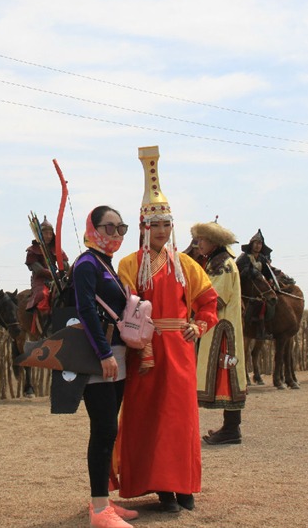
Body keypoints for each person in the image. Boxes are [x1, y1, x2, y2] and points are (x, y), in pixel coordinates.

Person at [115, 146, 218, 513]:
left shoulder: (186, 265)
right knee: (148, 419)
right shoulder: (130, 265)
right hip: (144, 352)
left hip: (177, 349)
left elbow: (209, 303)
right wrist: (140, 344)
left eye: (166, 224)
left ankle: (183, 486)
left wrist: (198, 325)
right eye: (154, 225)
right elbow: (125, 307)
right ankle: (160, 488)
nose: (160, 231)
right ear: (143, 227)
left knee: (180, 419)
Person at [72, 206, 137, 528]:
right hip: (99, 355)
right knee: (104, 430)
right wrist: (102, 353)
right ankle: (99, 510)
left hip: (118, 354)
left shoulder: (105, 264)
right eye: (108, 228)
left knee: (109, 428)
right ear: (93, 228)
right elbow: (84, 310)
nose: (115, 235)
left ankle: (103, 500)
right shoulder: (86, 264)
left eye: (120, 228)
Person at [189, 220, 248, 445]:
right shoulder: (215, 262)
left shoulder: (223, 265)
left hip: (223, 328)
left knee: (228, 374)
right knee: (225, 374)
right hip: (218, 326)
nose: (197, 244)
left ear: (213, 241)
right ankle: (230, 427)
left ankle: (232, 429)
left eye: (201, 239)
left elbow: (215, 297)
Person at [235, 229, 293, 340]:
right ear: (251, 244)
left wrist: (276, 277)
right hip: (244, 286)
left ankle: (264, 327)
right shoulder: (244, 257)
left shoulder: (262, 258)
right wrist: (251, 272)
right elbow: (238, 272)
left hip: (258, 284)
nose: (258, 246)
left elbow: (268, 271)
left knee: (271, 299)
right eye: (256, 243)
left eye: (260, 244)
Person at [24, 217, 69, 333]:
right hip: (41, 280)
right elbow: (37, 269)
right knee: (42, 295)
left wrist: (61, 271)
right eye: (45, 233)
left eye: (50, 233)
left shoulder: (57, 248)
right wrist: (52, 275)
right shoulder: (32, 250)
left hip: (57, 278)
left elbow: (64, 263)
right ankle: (45, 324)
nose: (48, 236)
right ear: (39, 234)